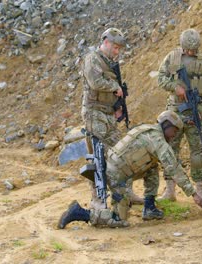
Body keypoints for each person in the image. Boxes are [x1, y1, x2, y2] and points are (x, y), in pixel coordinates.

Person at [58, 111, 202, 229]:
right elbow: (174, 168)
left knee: (152, 167)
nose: (175, 135)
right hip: (116, 176)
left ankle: (149, 207)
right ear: (166, 125)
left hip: (116, 168)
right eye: (174, 130)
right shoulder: (158, 141)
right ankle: (80, 213)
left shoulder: (148, 130)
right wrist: (193, 194)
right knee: (119, 220)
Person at [81, 27, 142, 209]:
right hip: (94, 113)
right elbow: (95, 82)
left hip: (108, 114)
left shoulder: (111, 63)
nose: (117, 52)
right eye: (115, 47)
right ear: (105, 42)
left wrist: (117, 106)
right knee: (98, 157)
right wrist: (114, 87)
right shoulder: (92, 59)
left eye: (119, 49)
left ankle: (125, 194)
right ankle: (98, 199)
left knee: (120, 154)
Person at [157, 29, 202, 204]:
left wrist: (200, 103)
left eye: (194, 49)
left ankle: (200, 190)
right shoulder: (172, 58)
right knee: (170, 149)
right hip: (174, 110)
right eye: (188, 49)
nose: (191, 52)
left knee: (197, 151)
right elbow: (161, 78)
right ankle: (170, 189)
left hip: (193, 111)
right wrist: (175, 87)